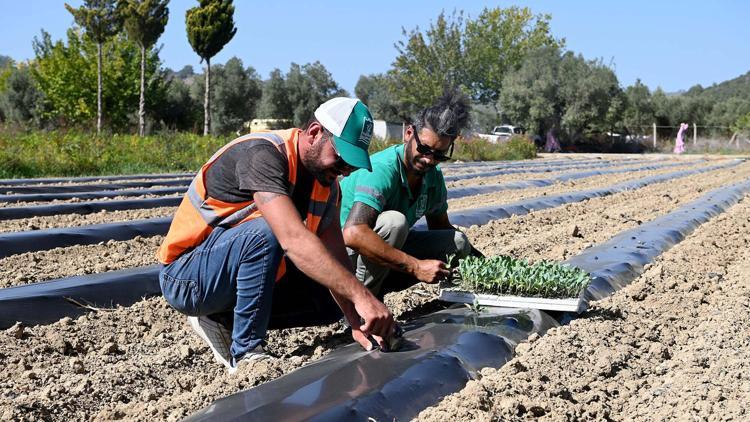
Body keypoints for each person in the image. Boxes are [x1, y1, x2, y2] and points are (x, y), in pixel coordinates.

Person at [157, 98, 395, 372]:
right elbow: (293, 240)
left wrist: (357, 318)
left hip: (230, 272)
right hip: (187, 277)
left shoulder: (327, 186)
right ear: (316, 133)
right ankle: (247, 353)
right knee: (267, 231)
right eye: (341, 157)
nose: (344, 170)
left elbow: (335, 256)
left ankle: (221, 318)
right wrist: (364, 297)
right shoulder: (263, 154)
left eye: (351, 164)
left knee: (331, 301)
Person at [339, 91, 482, 299]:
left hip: (382, 252)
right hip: (341, 255)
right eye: (424, 149)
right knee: (394, 223)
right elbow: (353, 233)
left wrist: (489, 265)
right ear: (408, 134)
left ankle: (458, 299)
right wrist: (416, 267)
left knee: (458, 243)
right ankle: (363, 305)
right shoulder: (382, 169)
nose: (429, 160)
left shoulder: (433, 177)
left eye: (439, 155)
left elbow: (441, 228)